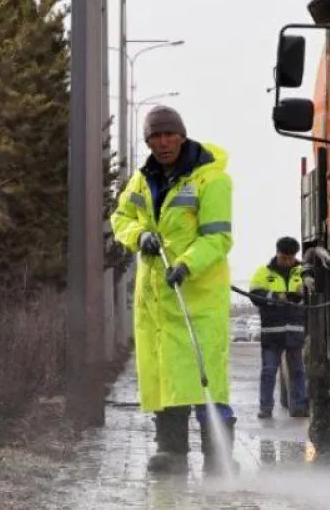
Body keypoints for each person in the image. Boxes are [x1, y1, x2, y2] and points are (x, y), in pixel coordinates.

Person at [110, 105, 235, 475]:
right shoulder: (141, 179)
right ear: (147, 141)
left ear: (182, 136)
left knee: (203, 376)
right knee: (164, 377)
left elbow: (218, 238)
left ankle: (219, 457)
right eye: (155, 137)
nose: (162, 143)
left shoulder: (211, 181)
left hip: (196, 298)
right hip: (155, 300)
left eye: (169, 135)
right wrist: (140, 236)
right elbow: (121, 218)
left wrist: (186, 264)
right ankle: (171, 451)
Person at [248, 237, 309, 419]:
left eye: (291, 258)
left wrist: (303, 292)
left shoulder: (303, 272)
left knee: (297, 371)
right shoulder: (263, 272)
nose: (288, 262)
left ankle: (299, 407)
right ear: (277, 253)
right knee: (268, 371)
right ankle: (265, 408)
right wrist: (274, 296)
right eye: (284, 258)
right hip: (272, 334)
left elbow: (313, 295)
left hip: (294, 331)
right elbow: (254, 294)